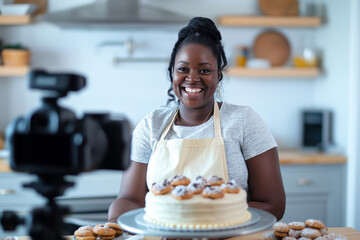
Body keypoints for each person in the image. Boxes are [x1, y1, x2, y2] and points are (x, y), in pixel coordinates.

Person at [108, 17, 285, 222]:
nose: (192, 78)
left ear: (219, 75)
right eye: (183, 69)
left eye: (204, 70)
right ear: (171, 73)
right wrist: (116, 216)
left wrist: (200, 220)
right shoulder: (151, 126)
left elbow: (273, 205)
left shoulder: (244, 121)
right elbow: (130, 199)